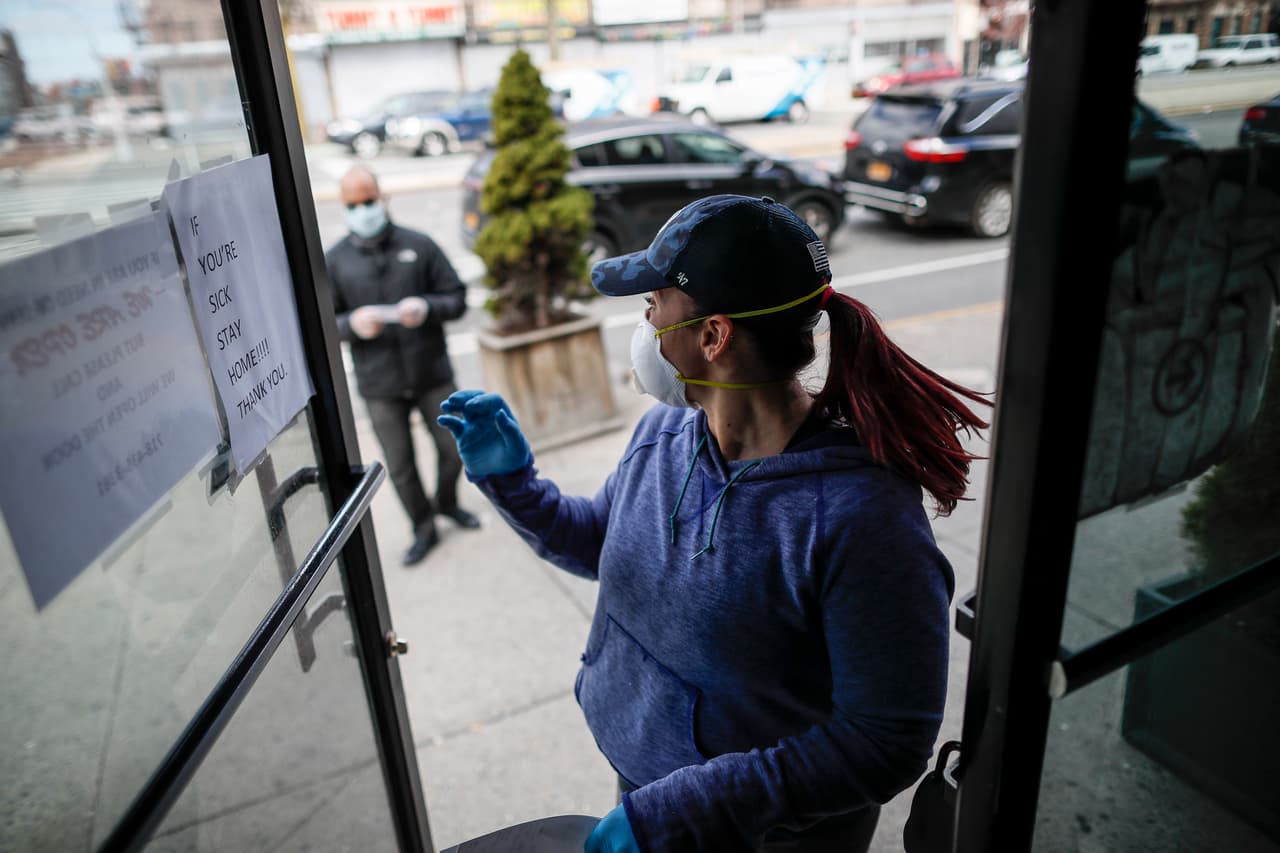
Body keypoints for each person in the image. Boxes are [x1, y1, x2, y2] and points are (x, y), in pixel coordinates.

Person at [437, 195, 991, 851]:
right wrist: (513, 484)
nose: (643, 315)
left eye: (657, 299)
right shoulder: (664, 431)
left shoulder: (863, 519)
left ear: (713, 336)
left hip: (765, 836)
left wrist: (690, 808)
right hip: (649, 798)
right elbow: (601, 543)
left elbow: (886, 738)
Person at [327, 166, 480, 566]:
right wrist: (351, 325)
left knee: (455, 447)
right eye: (354, 204)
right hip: (380, 384)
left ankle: (446, 501)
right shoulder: (335, 261)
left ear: (384, 198)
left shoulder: (419, 245)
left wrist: (427, 307)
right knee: (400, 465)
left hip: (431, 372)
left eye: (369, 200)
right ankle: (423, 527)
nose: (364, 210)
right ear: (345, 208)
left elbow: (457, 297)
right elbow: (324, 322)